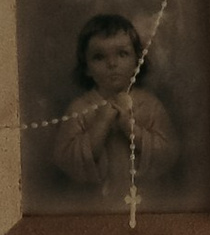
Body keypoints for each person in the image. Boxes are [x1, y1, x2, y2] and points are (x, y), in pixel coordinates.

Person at [54, 11, 179, 194]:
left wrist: (131, 129)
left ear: (137, 60)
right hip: (95, 201)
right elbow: (66, 159)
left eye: (122, 54)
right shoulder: (80, 108)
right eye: (99, 57)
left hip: (145, 198)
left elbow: (169, 153)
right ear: (86, 68)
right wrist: (101, 124)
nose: (112, 63)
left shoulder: (150, 105)